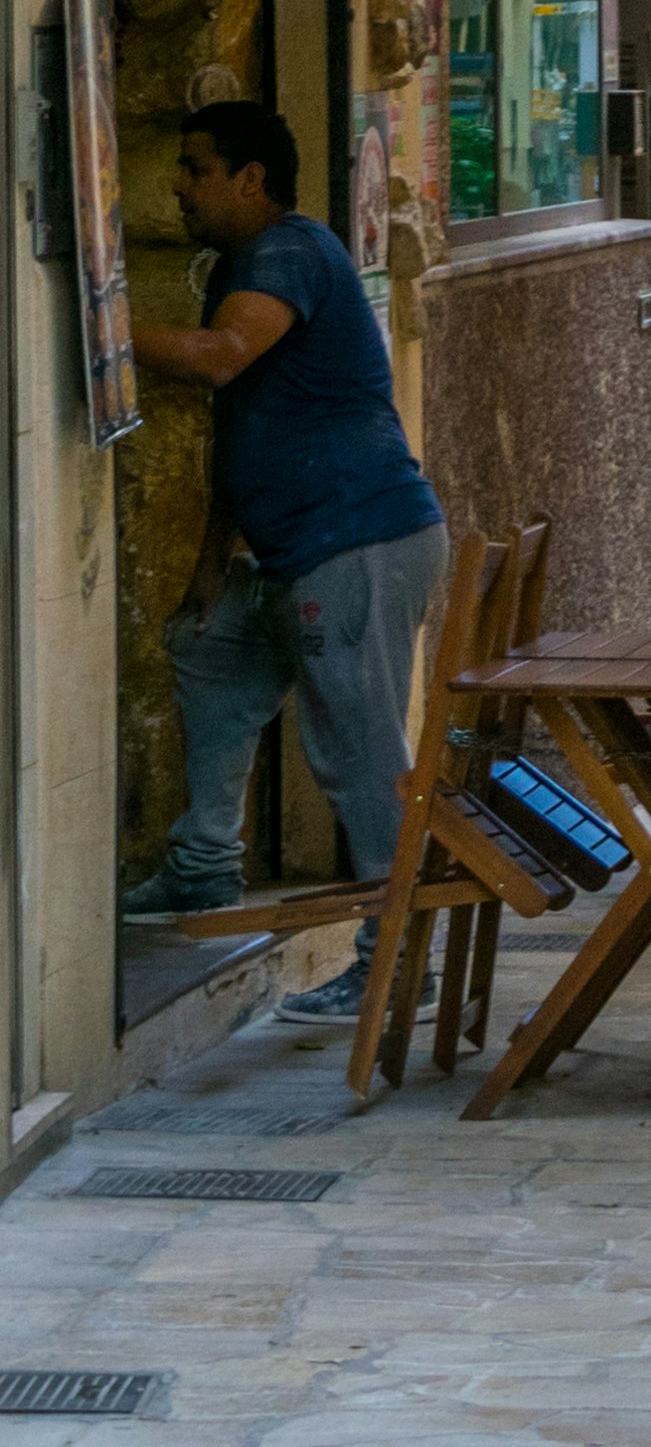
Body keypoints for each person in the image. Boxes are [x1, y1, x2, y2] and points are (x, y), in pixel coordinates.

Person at [127, 103, 448, 1030]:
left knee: (357, 750)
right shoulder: (248, 264)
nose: (178, 187)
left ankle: (398, 960)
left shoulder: (287, 255)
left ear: (251, 179)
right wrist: (210, 562)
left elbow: (223, 361)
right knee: (210, 647)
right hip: (294, 548)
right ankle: (203, 863)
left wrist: (95, 323)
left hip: (357, 544)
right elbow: (243, 429)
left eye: (194, 168)